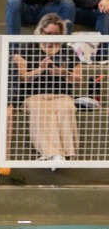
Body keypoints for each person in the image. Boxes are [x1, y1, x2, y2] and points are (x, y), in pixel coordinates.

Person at [10, 13, 83, 166]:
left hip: (61, 95)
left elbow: (79, 79)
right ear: (41, 30)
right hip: (33, 96)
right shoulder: (26, 48)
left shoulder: (68, 51)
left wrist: (64, 73)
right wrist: (39, 70)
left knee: (66, 107)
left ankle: (67, 153)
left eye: (56, 34)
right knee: (40, 108)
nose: (52, 37)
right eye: (49, 33)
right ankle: (52, 153)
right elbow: (21, 77)